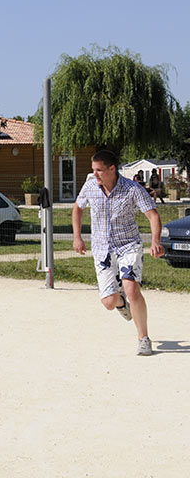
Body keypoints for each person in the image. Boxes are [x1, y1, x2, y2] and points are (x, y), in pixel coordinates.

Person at [72, 150, 164, 356]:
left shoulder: (132, 189)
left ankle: (143, 338)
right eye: (93, 170)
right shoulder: (90, 186)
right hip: (102, 249)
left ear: (112, 169)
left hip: (128, 246)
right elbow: (77, 209)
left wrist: (155, 241)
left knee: (132, 289)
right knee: (109, 302)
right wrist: (77, 237)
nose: (94, 174)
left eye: (98, 170)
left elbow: (153, 215)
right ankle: (121, 301)